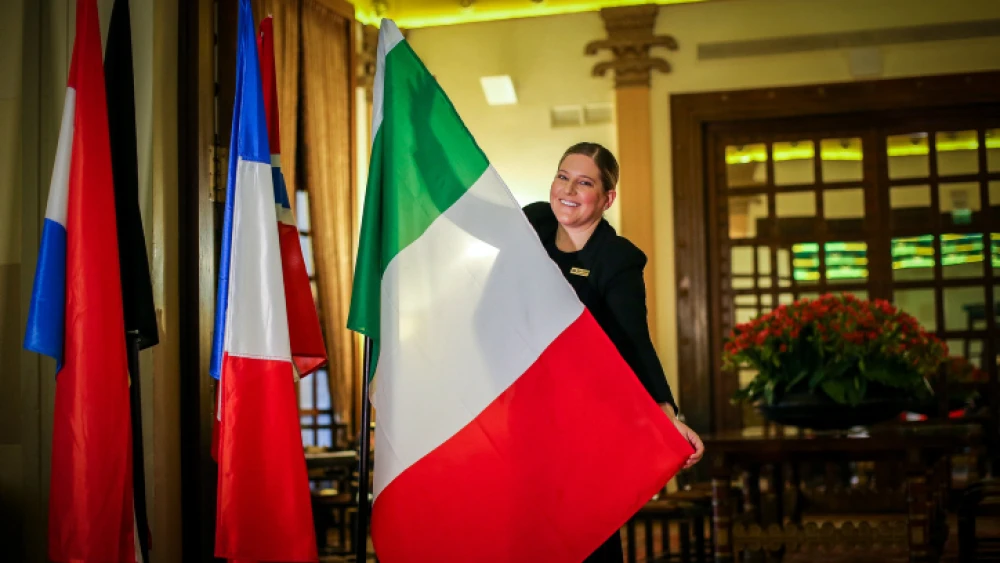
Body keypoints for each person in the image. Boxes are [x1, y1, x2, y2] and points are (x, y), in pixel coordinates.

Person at [523, 142, 704, 563]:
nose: (568, 189)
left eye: (584, 182)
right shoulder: (532, 220)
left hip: (584, 422)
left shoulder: (616, 260)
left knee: (585, 534)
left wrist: (667, 415)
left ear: (606, 199)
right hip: (529, 414)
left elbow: (634, 340)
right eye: (562, 176)